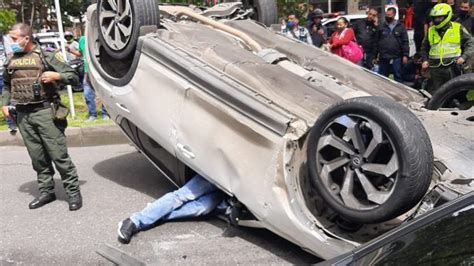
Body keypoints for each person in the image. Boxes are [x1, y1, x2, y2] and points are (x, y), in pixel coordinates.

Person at [1, 23, 82, 211]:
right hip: (22, 114)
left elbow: (73, 76)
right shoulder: (11, 59)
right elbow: (6, 84)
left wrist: (56, 76)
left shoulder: (46, 55)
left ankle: (73, 192)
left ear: (26, 38)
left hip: (45, 112)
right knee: (37, 157)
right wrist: (5, 103)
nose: (10, 42)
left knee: (58, 155)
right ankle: (46, 191)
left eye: (14, 39)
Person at [117, 175, 226, 244]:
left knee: (204, 207)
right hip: (215, 174)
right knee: (181, 196)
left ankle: (156, 212)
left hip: (226, 190)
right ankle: (134, 221)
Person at [420, 3, 474, 93]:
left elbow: (470, 42)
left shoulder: (457, 27)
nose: (436, 20)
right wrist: (425, 60)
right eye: (435, 18)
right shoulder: (431, 30)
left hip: (452, 66)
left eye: (439, 17)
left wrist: (464, 57)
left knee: (455, 93)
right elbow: (424, 47)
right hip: (435, 67)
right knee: (436, 94)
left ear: (447, 16)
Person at [71, 36, 108, 121]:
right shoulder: (82, 40)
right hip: (88, 72)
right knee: (88, 94)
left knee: (104, 93)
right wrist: (70, 50)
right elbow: (81, 54)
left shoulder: (101, 37)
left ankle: (105, 114)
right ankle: (92, 115)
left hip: (101, 70)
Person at [374, 7, 409, 82]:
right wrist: (375, 55)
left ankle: (399, 92)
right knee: (382, 77)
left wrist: (405, 55)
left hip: (397, 56)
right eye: (387, 15)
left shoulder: (400, 27)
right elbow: (377, 41)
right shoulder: (381, 27)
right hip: (384, 56)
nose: (387, 16)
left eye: (389, 15)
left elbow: (405, 41)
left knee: (398, 76)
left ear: (394, 15)